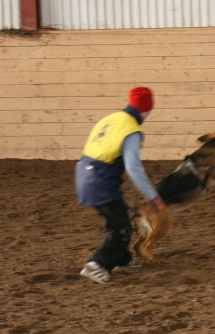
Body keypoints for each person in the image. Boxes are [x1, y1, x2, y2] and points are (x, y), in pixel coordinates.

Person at [75, 86, 166, 284]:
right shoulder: (132, 130)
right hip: (100, 180)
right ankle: (97, 265)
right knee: (121, 228)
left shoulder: (112, 119)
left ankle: (122, 258)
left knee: (120, 218)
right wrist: (152, 196)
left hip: (84, 173)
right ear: (148, 109)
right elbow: (134, 168)